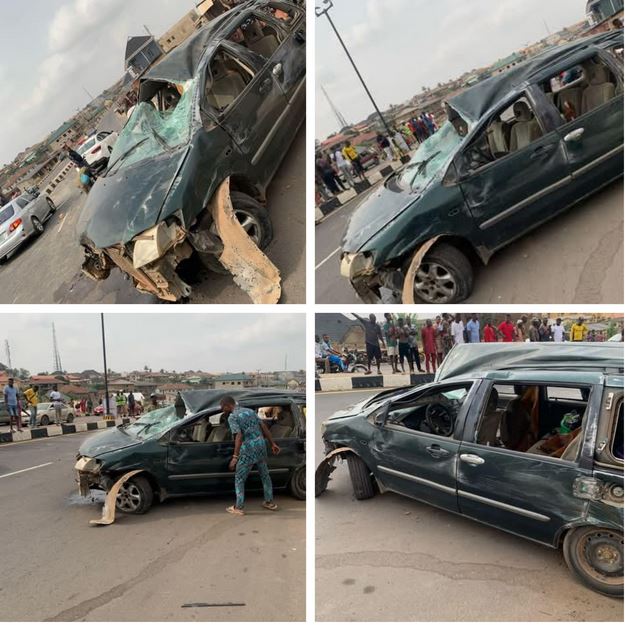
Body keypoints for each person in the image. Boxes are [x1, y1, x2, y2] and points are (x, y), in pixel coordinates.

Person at [222, 396, 280, 515]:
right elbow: (263, 426)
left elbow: (238, 436)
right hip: (260, 446)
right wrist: (272, 443)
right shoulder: (249, 411)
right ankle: (269, 502)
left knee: (239, 479)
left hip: (248, 449)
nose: (222, 410)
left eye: (222, 407)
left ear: (228, 405)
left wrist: (235, 457)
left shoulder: (232, 417)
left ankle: (238, 507)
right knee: (265, 475)